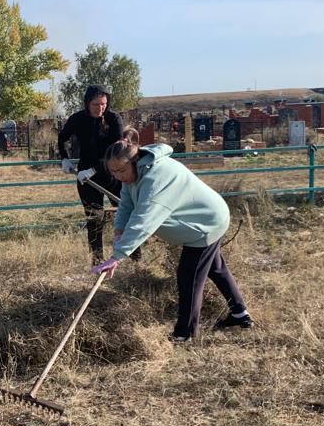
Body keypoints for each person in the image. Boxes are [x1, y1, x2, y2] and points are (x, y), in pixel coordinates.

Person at [92, 141, 254, 343]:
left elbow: (143, 220)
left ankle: (184, 334)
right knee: (215, 268)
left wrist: (118, 256)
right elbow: (126, 205)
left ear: (136, 161)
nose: (118, 176)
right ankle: (239, 313)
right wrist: (118, 232)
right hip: (206, 218)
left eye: (121, 170)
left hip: (205, 223)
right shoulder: (132, 177)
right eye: (113, 172)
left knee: (189, 278)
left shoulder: (157, 178)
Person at [58, 84, 123, 262]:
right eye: (96, 104)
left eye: (103, 104)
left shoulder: (114, 119)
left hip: (114, 174)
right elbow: (62, 138)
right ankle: (97, 260)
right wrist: (64, 158)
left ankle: (134, 259)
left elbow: (116, 152)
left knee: (125, 214)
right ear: (87, 103)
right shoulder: (78, 119)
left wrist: (94, 170)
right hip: (85, 176)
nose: (100, 108)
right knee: (94, 218)